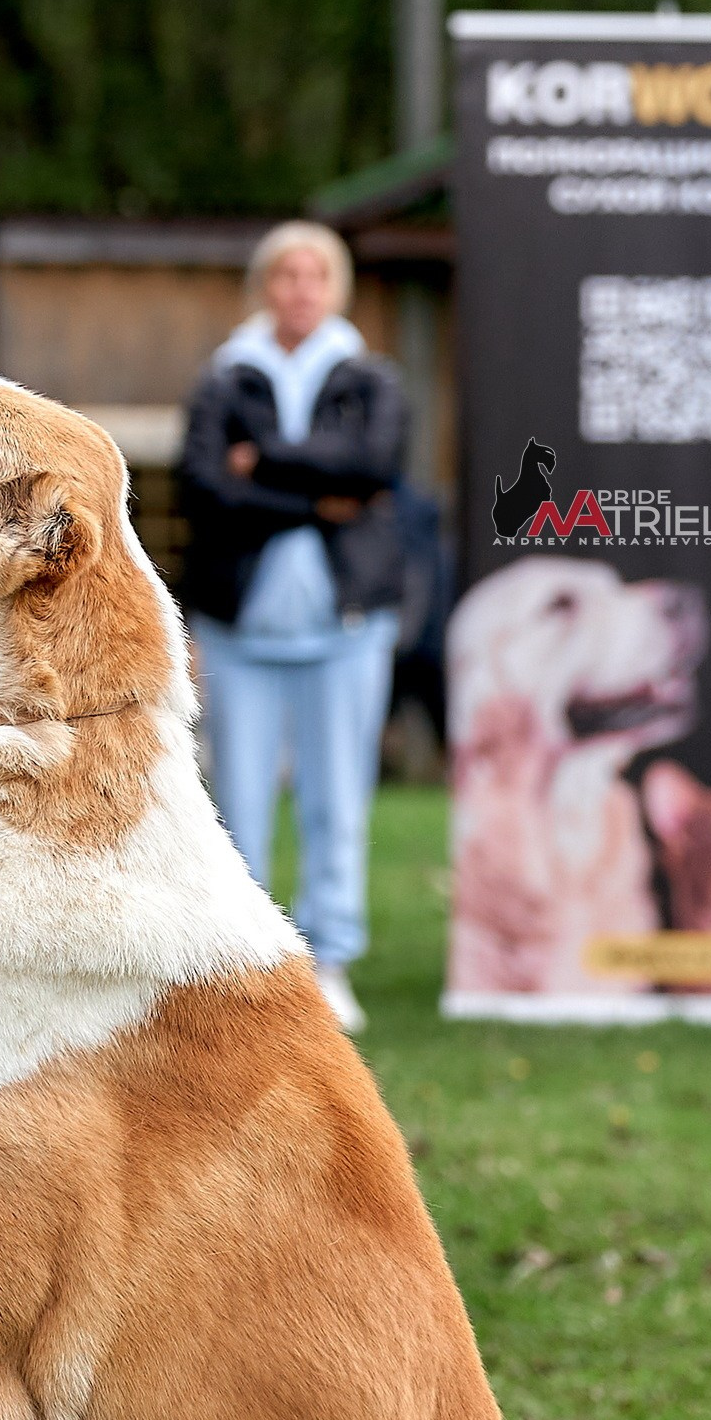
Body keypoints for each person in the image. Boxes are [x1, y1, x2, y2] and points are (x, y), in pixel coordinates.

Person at [177, 220, 406, 1035]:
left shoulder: (371, 379)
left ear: (337, 289)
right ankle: (243, 963)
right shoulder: (223, 380)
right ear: (264, 286)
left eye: (316, 275)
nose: (301, 289)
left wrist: (264, 461)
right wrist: (317, 498)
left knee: (335, 800)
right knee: (236, 805)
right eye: (286, 274)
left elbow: (373, 468)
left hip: (346, 629)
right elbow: (206, 489)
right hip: (241, 633)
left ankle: (329, 958)